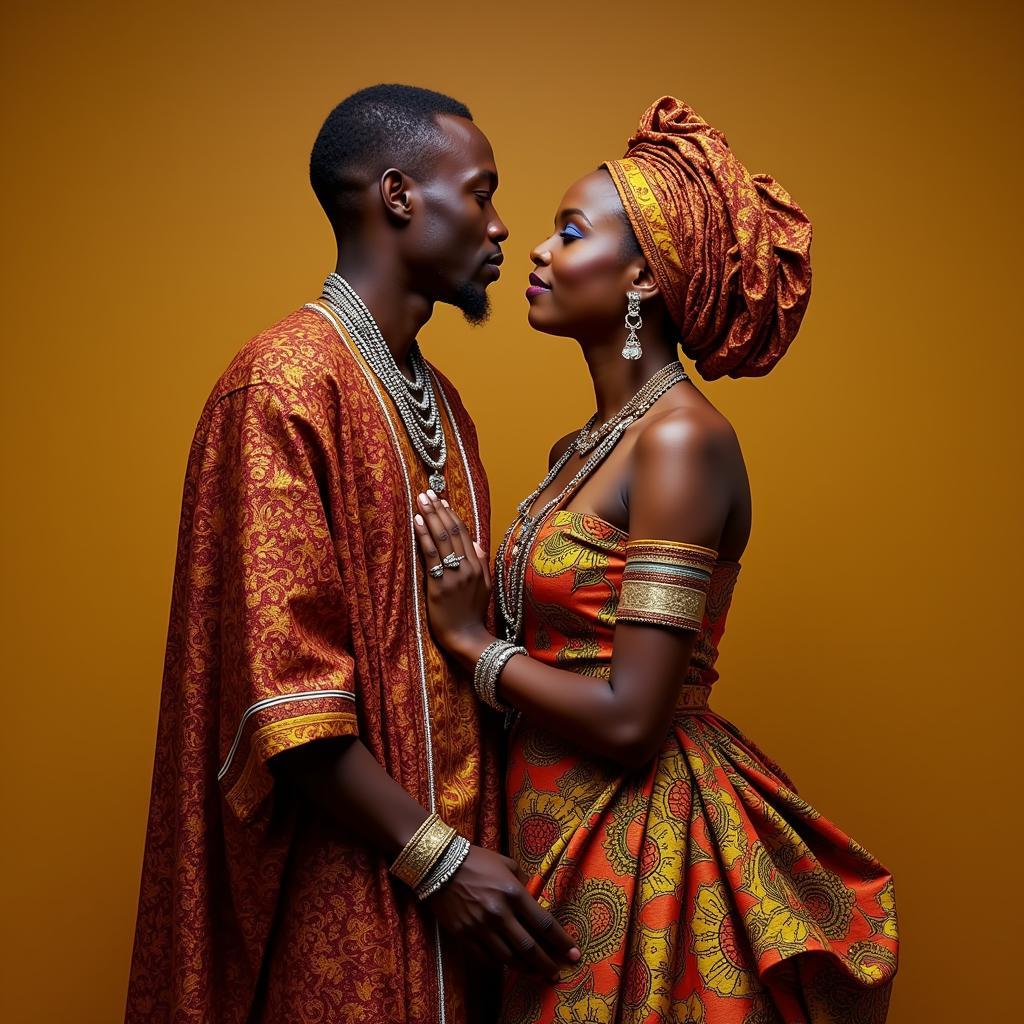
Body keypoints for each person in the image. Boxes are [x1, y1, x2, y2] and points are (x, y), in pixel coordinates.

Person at [413, 96, 899, 1023]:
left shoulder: (681, 443)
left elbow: (634, 717)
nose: (539, 251)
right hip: (545, 831)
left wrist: (475, 647)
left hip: (637, 850)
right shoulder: (585, 446)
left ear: (642, 273)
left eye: (569, 231)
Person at [125, 83, 578, 1024]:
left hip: (464, 908)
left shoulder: (444, 406)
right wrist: (440, 863)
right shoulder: (282, 386)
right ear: (401, 195)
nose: (502, 228)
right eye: (483, 192)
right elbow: (285, 705)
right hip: (347, 899)